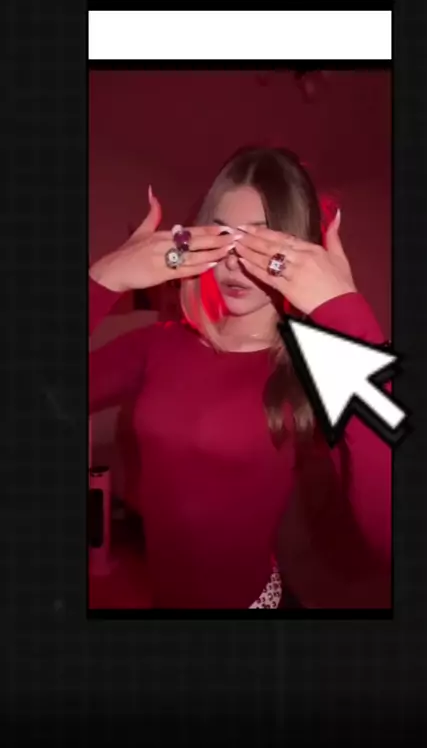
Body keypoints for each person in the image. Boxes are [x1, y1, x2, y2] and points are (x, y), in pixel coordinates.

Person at [89, 146, 391, 609]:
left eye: (261, 244)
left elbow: (387, 534)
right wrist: (103, 279)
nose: (234, 262)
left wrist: (348, 319)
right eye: (224, 238)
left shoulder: (314, 368)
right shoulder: (156, 345)